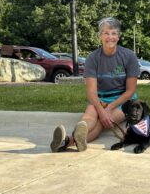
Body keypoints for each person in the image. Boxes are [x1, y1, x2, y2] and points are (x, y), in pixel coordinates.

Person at [50, 17, 140, 152]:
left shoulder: (129, 56)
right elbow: (91, 92)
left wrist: (109, 109)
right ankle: (74, 138)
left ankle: (67, 141)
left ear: (119, 36)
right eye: (106, 33)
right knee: (88, 117)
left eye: (114, 33)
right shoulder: (92, 58)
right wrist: (100, 110)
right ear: (100, 36)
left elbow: (130, 90)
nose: (110, 37)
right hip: (100, 98)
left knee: (100, 123)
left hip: (124, 100)